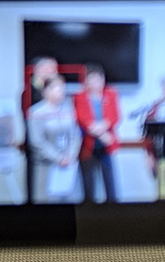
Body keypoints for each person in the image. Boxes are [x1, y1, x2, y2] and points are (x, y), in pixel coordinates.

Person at [26, 74, 81, 202]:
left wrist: (70, 156)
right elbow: (37, 141)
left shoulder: (68, 110)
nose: (61, 92)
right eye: (57, 89)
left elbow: (75, 135)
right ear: (46, 91)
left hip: (69, 164)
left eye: (62, 88)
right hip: (46, 165)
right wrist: (58, 158)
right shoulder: (36, 112)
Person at [73, 63, 120, 203]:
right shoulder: (79, 97)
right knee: (88, 186)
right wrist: (101, 134)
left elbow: (115, 116)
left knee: (111, 186)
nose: (95, 83)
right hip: (88, 145)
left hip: (106, 145)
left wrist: (103, 129)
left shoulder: (111, 94)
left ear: (103, 79)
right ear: (85, 81)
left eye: (98, 79)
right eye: (91, 79)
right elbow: (81, 119)